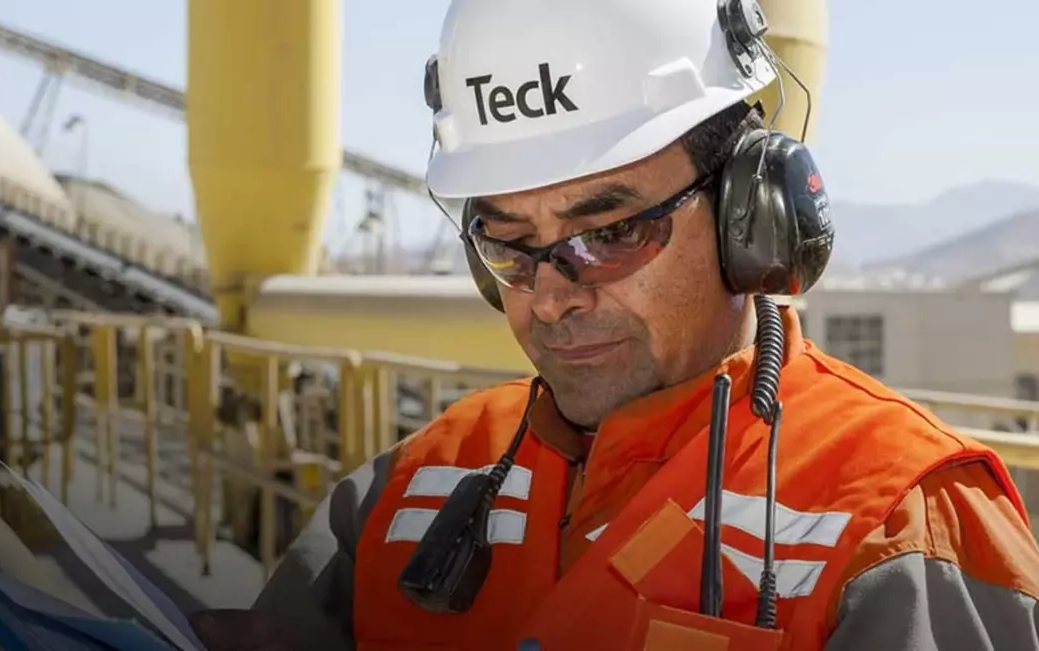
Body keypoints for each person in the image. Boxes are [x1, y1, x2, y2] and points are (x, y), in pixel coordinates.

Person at [190, 0, 1039, 649]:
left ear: (752, 215)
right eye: (509, 244)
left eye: (613, 232)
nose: (552, 298)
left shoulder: (902, 522)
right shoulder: (410, 484)